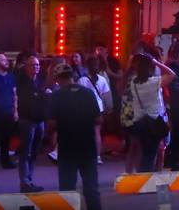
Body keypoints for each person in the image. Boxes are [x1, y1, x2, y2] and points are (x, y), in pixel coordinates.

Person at [48, 62, 101, 210]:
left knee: (67, 189)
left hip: (67, 147)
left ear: (58, 79)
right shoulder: (88, 93)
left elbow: (51, 123)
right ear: (72, 76)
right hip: (88, 147)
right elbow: (98, 119)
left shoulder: (57, 96)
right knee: (91, 188)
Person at [130, 52, 173, 172]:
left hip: (139, 122)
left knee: (143, 152)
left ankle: (141, 179)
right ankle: (147, 182)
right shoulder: (154, 82)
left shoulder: (134, 82)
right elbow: (171, 74)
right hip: (153, 122)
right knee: (151, 155)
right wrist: (156, 62)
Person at [16, 53, 48, 193]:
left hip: (39, 121)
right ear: (26, 67)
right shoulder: (21, 82)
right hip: (27, 121)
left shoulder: (40, 81)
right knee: (25, 152)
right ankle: (25, 182)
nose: (35, 67)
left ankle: (29, 179)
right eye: (32, 65)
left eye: (37, 65)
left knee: (34, 152)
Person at [78, 55, 112, 163]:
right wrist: (109, 109)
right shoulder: (102, 80)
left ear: (87, 66)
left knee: (84, 132)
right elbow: (107, 97)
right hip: (99, 109)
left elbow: (79, 96)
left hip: (85, 109)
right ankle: (97, 156)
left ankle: (85, 155)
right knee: (97, 132)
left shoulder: (82, 80)